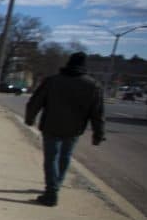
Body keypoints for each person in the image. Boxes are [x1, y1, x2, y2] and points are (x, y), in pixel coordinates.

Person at [25, 52, 105, 206]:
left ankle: (51, 191)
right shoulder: (93, 85)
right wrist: (98, 133)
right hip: (74, 128)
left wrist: (30, 118)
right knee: (65, 156)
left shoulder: (53, 81)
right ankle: (56, 185)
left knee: (51, 158)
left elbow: (35, 101)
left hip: (51, 125)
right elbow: (97, 112)